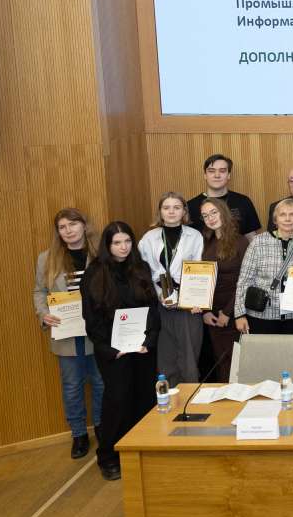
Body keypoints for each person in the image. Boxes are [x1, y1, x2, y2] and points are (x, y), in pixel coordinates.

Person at [80, 222, 160, 481]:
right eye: (117, 243)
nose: (123, 247)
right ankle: (108, 456)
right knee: (118, 399)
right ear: (107, 245)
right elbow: (91, 318)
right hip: (113, 350)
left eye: (127, 241)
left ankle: (141, 450)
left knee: (144, 398)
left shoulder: (140, 268)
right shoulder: (94, 273)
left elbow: (152, 309)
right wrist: (110, 349)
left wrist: (150, 339)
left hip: (142, 348)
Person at [33, 208, 104, 459]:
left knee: (101, 382)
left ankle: (102, 427)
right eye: (62, 227)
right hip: (66, 332)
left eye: (73, 224)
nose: (68, 231)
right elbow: (39, 291)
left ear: (84, 225)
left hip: (97, 331)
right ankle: (78, 434)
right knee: (72, 386)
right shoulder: (47, 258)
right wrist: (43, 314)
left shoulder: (100, 253)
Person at [138, 193, 204, 387]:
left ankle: (189, 399)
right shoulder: (149, 238)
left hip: (188, 305)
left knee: (189, 360)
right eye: (166, 208)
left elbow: (200, 270)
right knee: (165, 359)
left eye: (177, 207)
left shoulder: (195, 236)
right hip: (160, 303)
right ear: (160, 212)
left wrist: (195, 300)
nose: (171, 212)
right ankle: (169, 400)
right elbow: (143, 272)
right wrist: (160, 295)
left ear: (184, 211)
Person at [234, 198, 293, 336]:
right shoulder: (258, 242)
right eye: (282, 214)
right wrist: (240, 314)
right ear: (275, 219)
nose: (287, 219)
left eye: (292, 215)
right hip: (262, 316)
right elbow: (244, 280)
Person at [199, 197, 250, 382]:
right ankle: (225, 399)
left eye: (214, 212)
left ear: (224, 212)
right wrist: (205, 311)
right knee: (221, 363)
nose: (210, 218)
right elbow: (200, 279)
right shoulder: (205, 242)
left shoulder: (240, 241)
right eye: (205, 215)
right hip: (212, 316)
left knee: (238, 366)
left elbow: (245, 281)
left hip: (235, 312)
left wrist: (228, 312)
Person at [186, 153, 261, 238]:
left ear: (228, 175)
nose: (217, 175)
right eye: (211, 171)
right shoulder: (191, 206)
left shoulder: (243, 201)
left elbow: (251, 237)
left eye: (222, 171)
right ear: (205, 175)